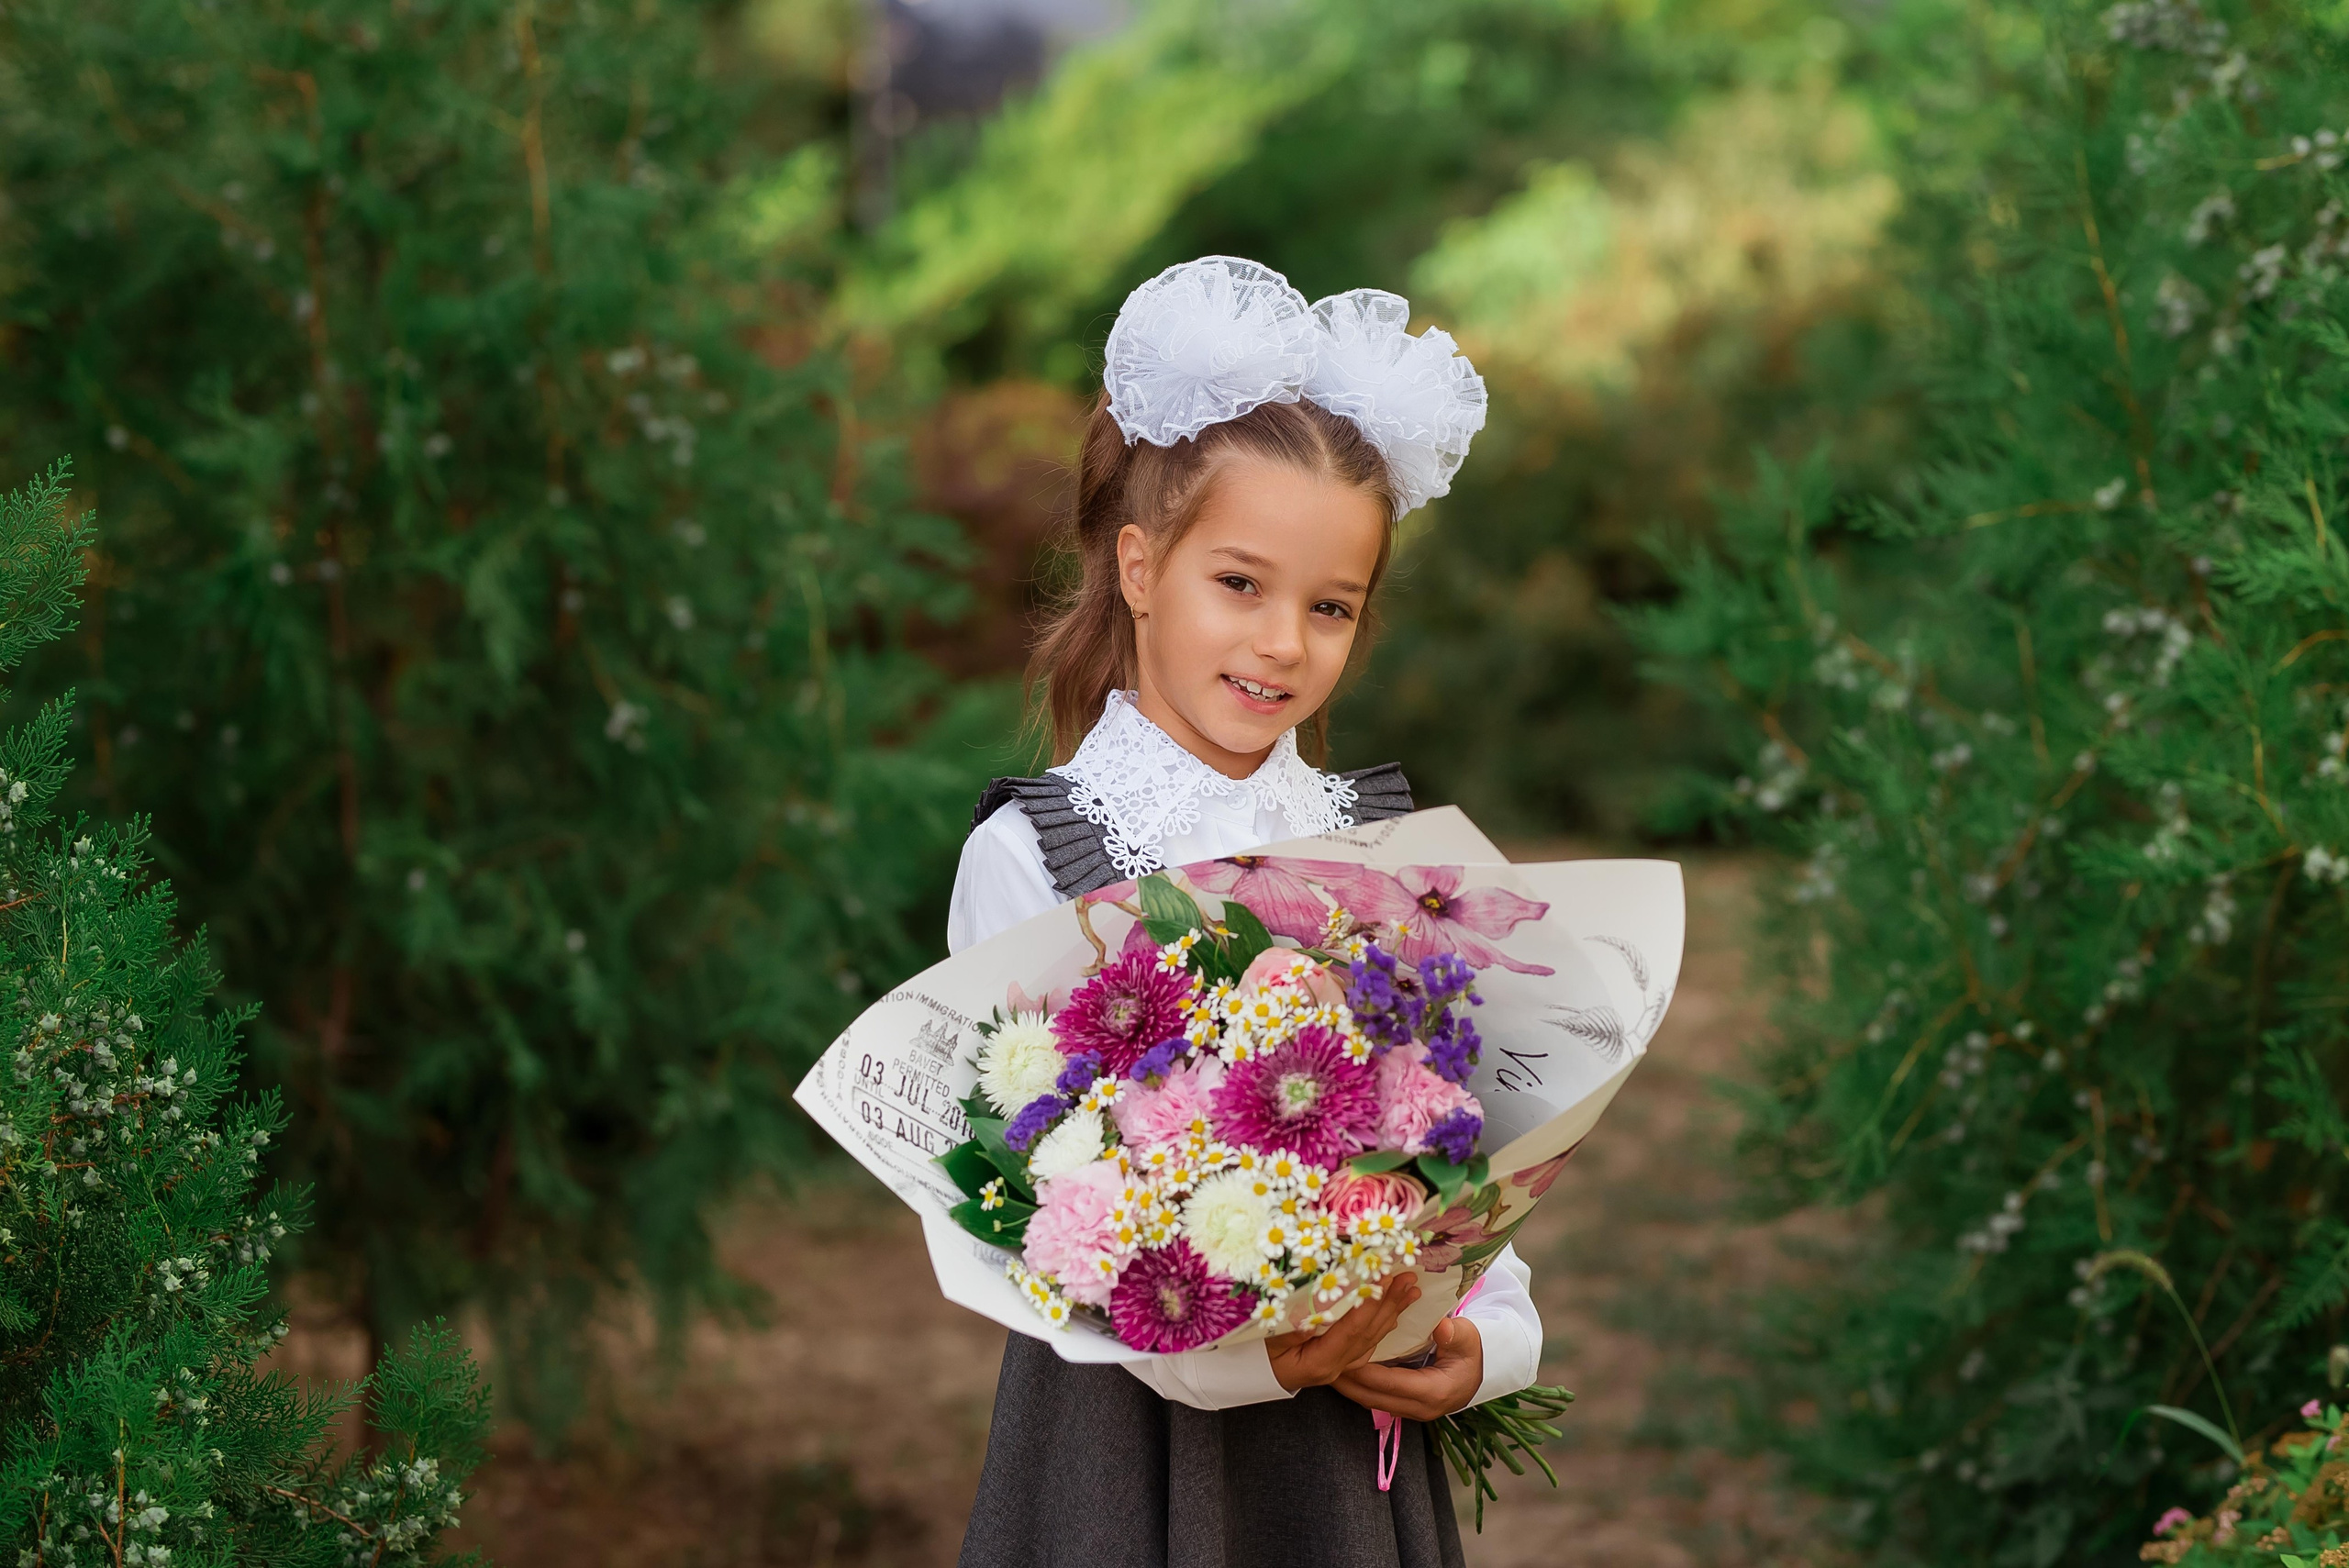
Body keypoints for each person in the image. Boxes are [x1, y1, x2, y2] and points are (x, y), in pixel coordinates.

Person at [948, 257, 1542, 1568]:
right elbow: (1009, 1213)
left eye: (1331, 606)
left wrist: (1487, 1337)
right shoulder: (1034, 862)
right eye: (1241, 585)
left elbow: (1462, 1144)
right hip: (1118, 1450)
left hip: (1343, 1455)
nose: (1285, 641)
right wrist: (1243, 1350)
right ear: (1142, 566)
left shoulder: (1383, 857)